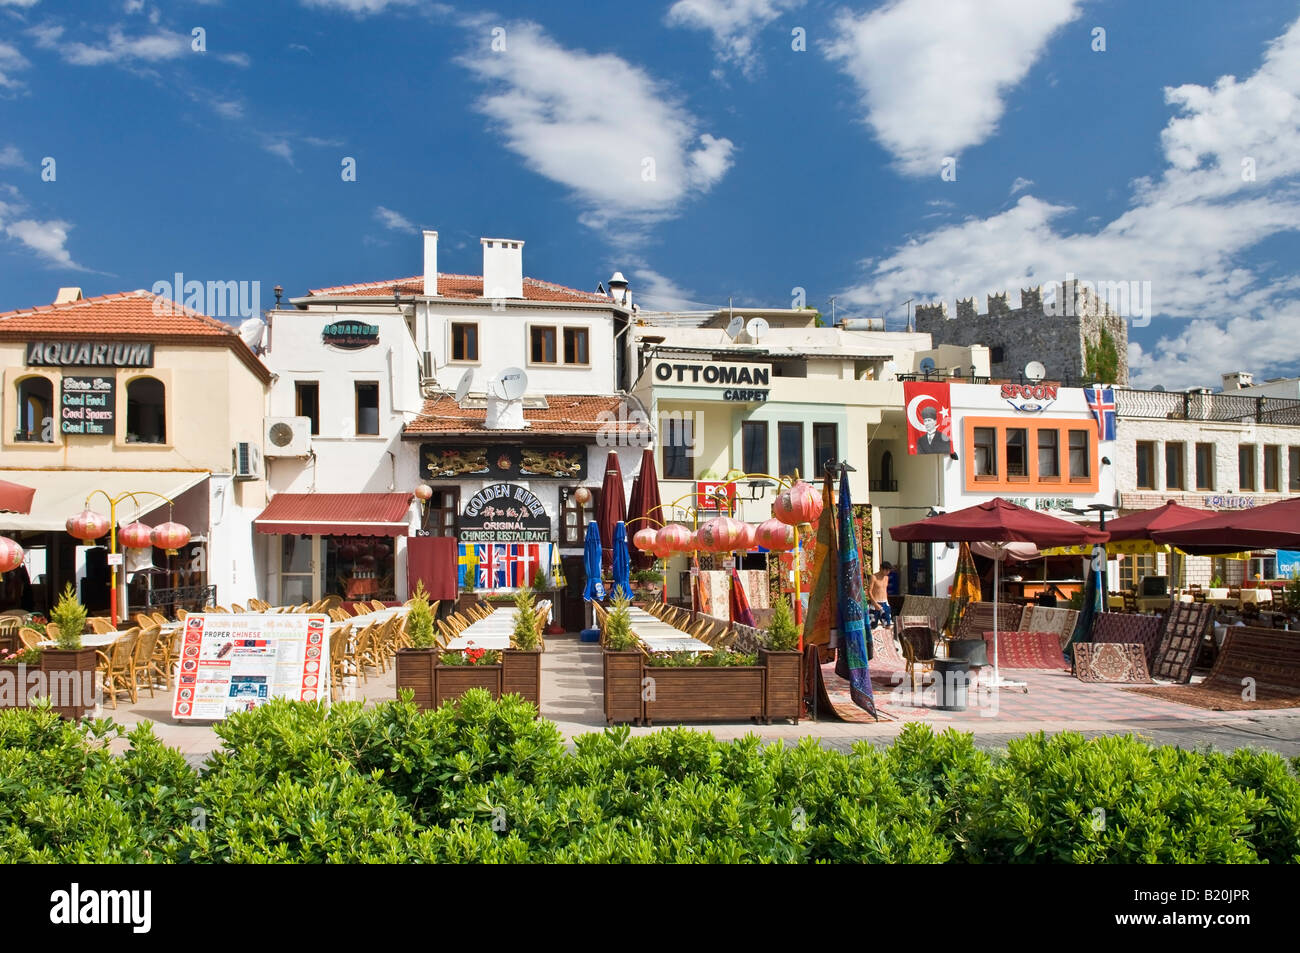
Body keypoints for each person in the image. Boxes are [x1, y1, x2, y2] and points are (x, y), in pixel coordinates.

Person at [869, 562, 893, 629]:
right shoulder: (873, 577)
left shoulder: (886, 578)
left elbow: (884, 590)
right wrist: (874, 603)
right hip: (875, 603)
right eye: (886, 570)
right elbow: (869, 591)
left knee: (888, 625)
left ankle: (887, 638)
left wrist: (887, 603)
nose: (888, 572)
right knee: (872, 626)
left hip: (885, 603)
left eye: (889, 570)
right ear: (881, 569)